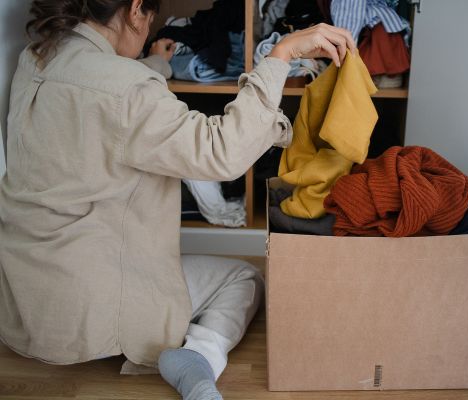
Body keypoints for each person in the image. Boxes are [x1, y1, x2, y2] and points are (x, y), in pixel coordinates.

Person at [0, 0, 355, 399]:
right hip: (91, 302)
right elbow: (222, 152)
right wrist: (281, 55)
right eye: (151, 19)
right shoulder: (127, 88)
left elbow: (108, 95)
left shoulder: (37, 60)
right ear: (136, 9)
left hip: (26, 302)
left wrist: (157, 65)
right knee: (244, 278)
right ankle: (199, 359)